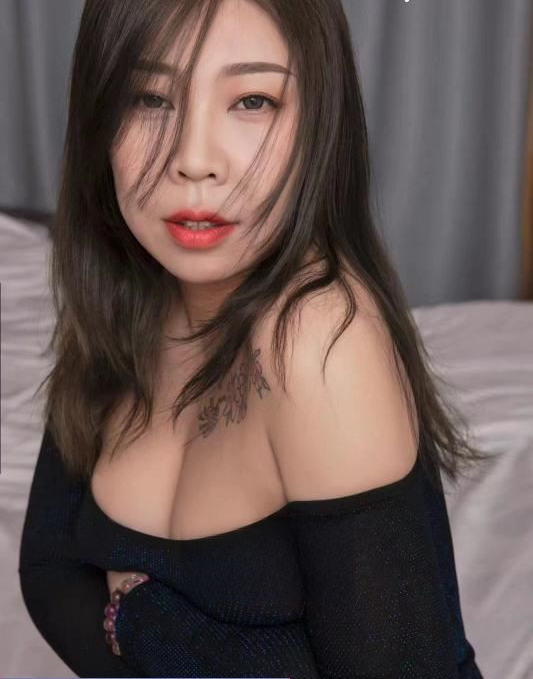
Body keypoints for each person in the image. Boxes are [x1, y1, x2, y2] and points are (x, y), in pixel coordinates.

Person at [18, 0, 489, 676]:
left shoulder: (319, 338)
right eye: (150, 99)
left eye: (252, 101)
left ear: (320, 124)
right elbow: (51, 572)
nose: (193, 160)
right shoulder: (128, 293)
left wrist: (140, 617)